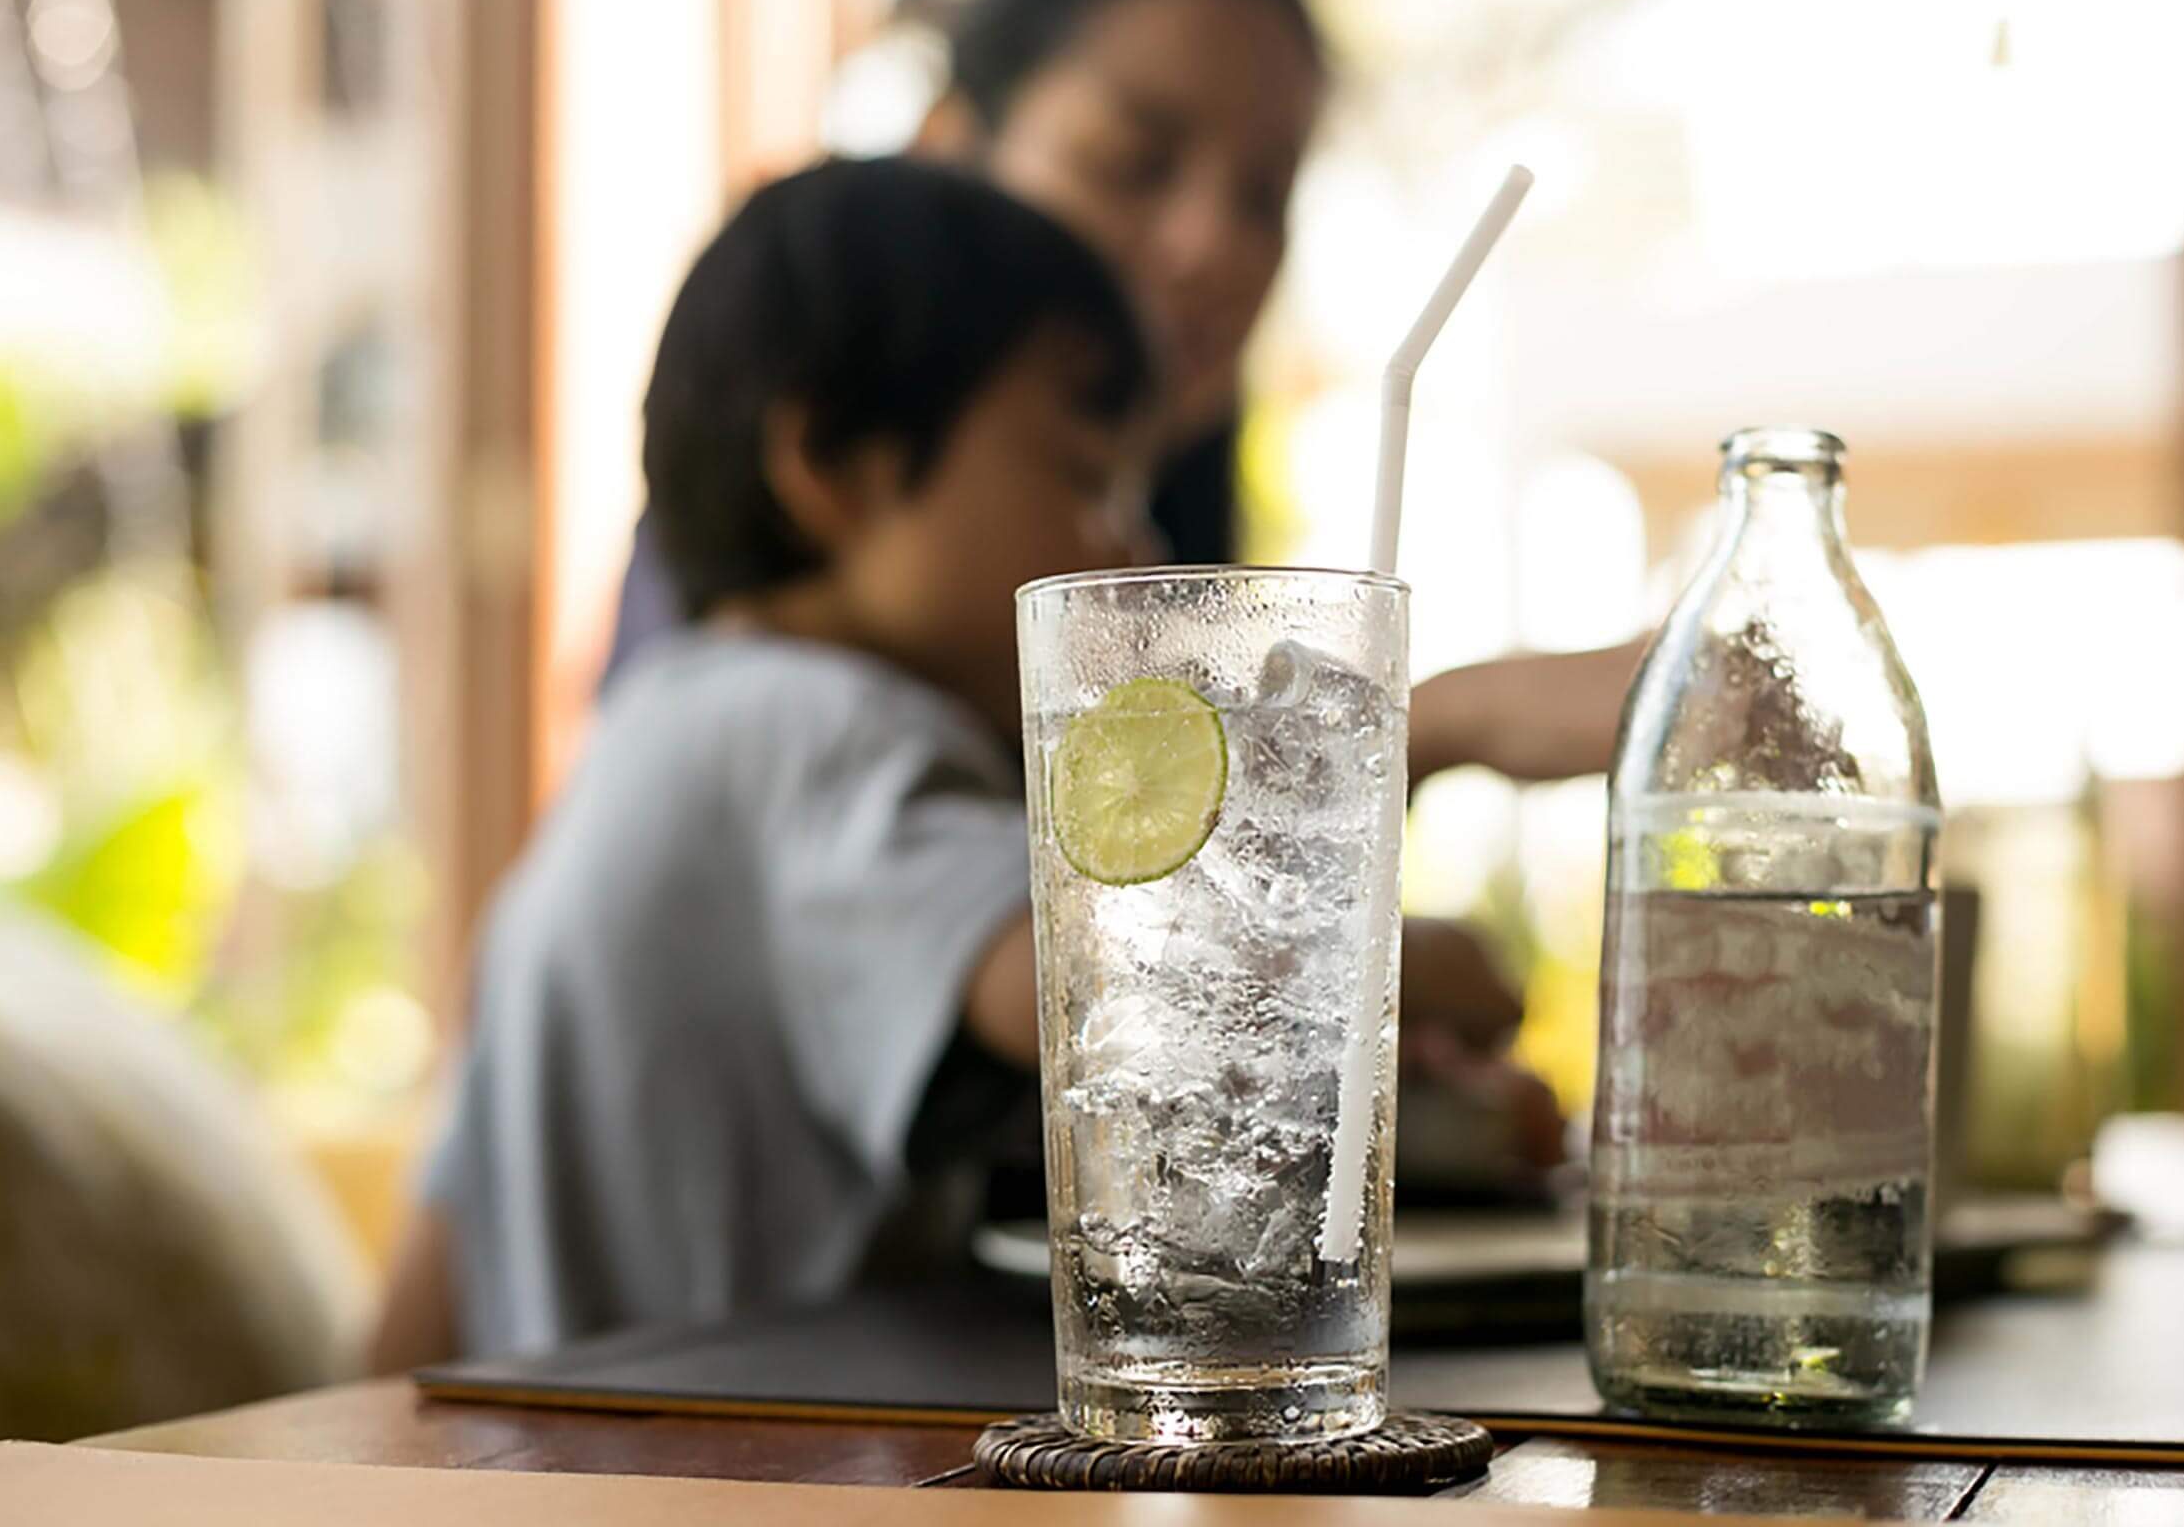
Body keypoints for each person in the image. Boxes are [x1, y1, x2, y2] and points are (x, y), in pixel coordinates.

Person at [372, 158, 1627, 1368]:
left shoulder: (650, 735)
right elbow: (1131, 997)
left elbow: (437, 1265)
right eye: (1084, 475)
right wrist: (1435, 761)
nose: (1126, 533)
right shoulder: (817, 730)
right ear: (836, 471)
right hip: (718, 1469)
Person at [603, 0, 1320, 676]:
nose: (1215, 247)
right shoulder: (764, 616)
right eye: (1133, 164)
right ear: (951, 148)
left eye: (1265, 198)